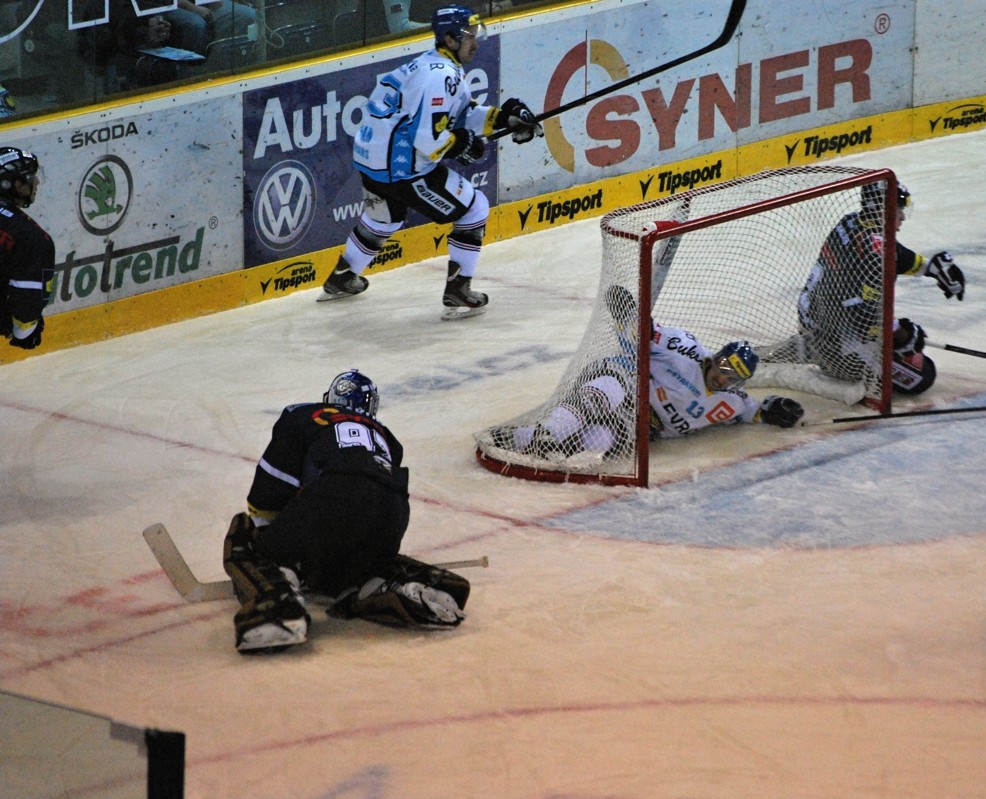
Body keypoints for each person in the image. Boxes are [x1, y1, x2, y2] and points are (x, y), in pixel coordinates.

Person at [318, 4, 544, 318]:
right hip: (401, 167)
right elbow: (427, 139)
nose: (476, 43)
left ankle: (342, 278)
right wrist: (464, 145)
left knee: (384, 219)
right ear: (450, 39)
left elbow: (460, 116)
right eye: (469, 37)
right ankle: (458, 290)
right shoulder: (441, 78)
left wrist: (503, 118)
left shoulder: (434, 66)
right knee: (474, 207)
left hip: (372, 161)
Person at [222, 369, 471, 653]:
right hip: (392, 516)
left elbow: (273, 484)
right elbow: (377, 489)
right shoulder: (387, 436)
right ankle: (380, 583)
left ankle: (280, 602)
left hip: (334, 496)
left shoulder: (303, 414)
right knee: (347, 562)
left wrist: (272, 540)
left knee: (249, 540)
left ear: (329, 398)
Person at [489, 285, 805, 460]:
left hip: (642, 425)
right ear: (718, 356)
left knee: (600, 440)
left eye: (732, 378)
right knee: (609, 391)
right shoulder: (686, 349)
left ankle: (540, 446)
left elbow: (753, 410)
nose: (723, 378)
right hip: (624, 382)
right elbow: (646, 332)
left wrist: (776, 408)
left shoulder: (731, 402)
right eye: (724, 368)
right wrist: (629, 314)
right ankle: (545, 433)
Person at [794, 179, 966, 396]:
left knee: (907, 354)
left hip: (816, 317)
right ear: (882, 209)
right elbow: (860, 315)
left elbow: (894, 253)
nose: (902, 216)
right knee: (922, 375)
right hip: (836, 341)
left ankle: (815, 347)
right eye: (898, 209)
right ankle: (826, 356)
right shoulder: (873, 254)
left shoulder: (852, 221)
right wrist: (902, 335)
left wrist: (929, 267)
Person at [0, 148, 55, 352]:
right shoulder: (31, 238)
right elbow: (26, 307)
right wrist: (24, 332)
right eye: (31, 177)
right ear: (14, 184)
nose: (37, 183)